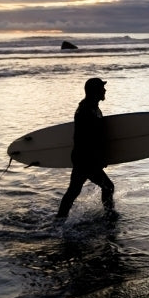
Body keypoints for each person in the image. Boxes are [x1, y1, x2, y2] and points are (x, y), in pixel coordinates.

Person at [56, 77, 116, 219]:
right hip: (85, 158)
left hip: (84, 157)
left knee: (74, 190)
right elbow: (86, 139)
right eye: (102, 88)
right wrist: (97, 159)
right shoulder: (85, 111)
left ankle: (59, 219)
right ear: (95, 91)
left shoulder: (92, 107)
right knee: (107, 187)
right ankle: (109, 215)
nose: (105, 90)